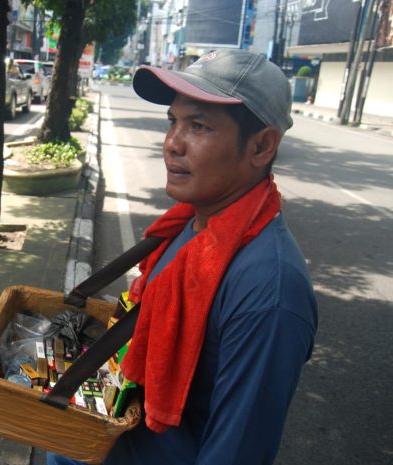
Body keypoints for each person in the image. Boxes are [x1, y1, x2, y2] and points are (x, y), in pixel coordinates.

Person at [47, 49, 318, 465]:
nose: (173, 143)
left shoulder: (270, 291)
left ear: (261, 146)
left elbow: (235, 453)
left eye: (199, 126)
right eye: (173, 121)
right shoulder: (192, 225)